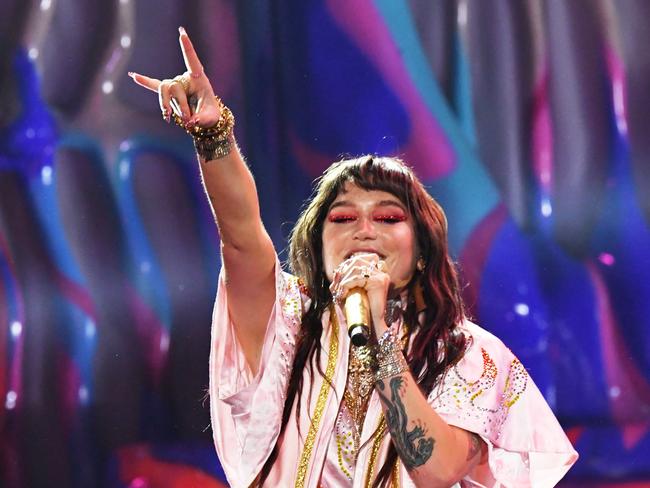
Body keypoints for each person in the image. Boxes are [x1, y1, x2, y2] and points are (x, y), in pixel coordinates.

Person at [130, 28, 578, 488]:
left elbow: (438, 469)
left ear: (422, 250)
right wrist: (212, 133)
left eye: (387, 218)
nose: (364, 230)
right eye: (342, 219)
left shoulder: (469, 354)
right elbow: (242, 237)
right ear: (317, 246)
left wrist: (377, 331)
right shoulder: (284, 326)